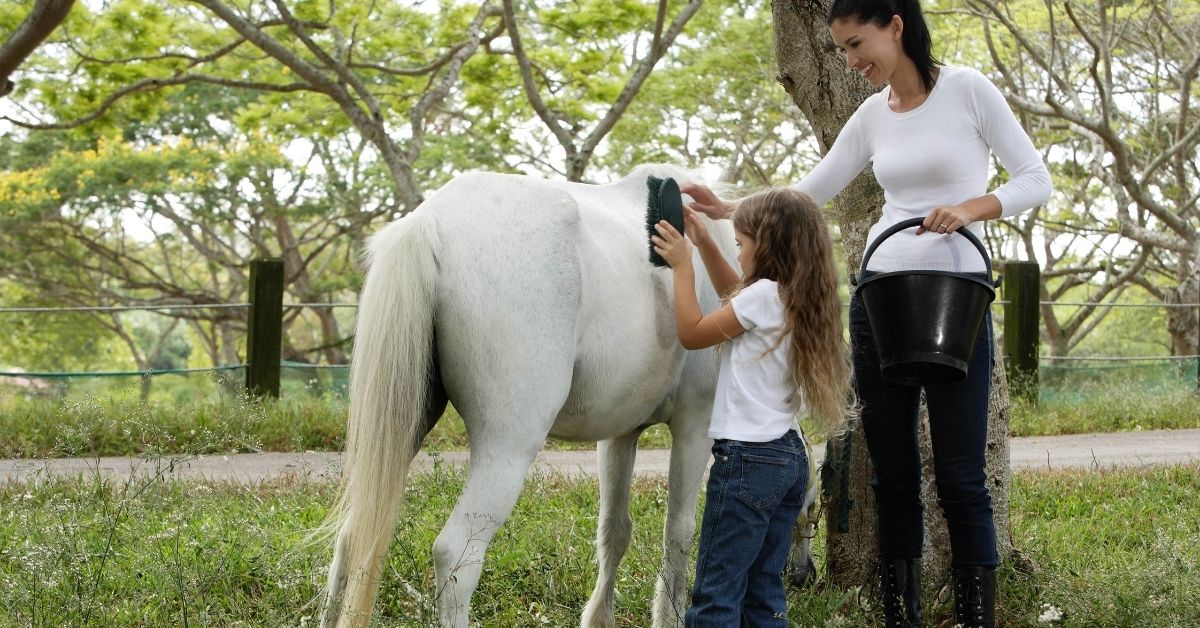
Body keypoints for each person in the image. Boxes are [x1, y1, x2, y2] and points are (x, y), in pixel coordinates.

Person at [679, 1, 1053, 626]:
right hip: (880, 295)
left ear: (896, 26)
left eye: (857, 45)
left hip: (955, 299)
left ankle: (975, 616)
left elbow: (1035, 179)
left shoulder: (967, 90)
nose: (852, 63)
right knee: (891, 472)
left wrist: (968, 208)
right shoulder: (872, 115)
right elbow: (807, 193)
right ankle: (898, 616)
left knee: (962, 475)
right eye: (844, 51)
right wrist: (728, 208)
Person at [651, 187, 851, 627]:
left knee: (716, 595)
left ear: (768, 246)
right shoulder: (793, 296)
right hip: (788, 458)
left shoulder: (762, 298)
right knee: (763, 591)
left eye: (740, 245)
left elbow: (694, 332)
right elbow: (736, 297)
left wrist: (683, 266)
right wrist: (704, 241)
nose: (738, 254)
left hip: (748, 461)